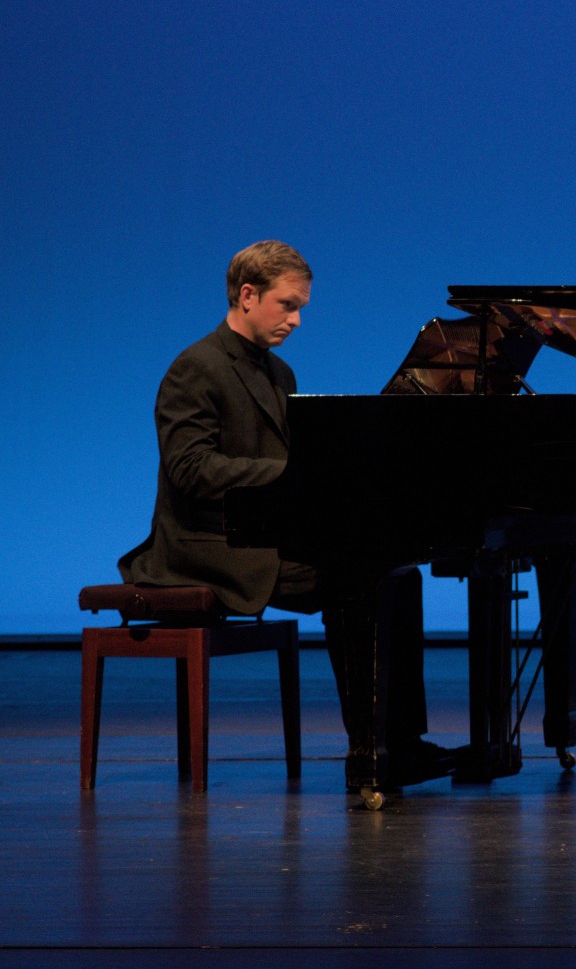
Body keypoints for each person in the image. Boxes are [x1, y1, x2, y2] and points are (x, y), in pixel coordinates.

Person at [119, 240, 446, 791]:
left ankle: (401, 744)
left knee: (399, 573)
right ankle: (369, 753)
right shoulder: (195, 367)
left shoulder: (279, 373)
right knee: (351, 577)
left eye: (301, 309)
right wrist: (286, 477)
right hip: (204, 546)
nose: (296, 320)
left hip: (260, 532)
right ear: (247, 295)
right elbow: (189, 469)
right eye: (287, 305)